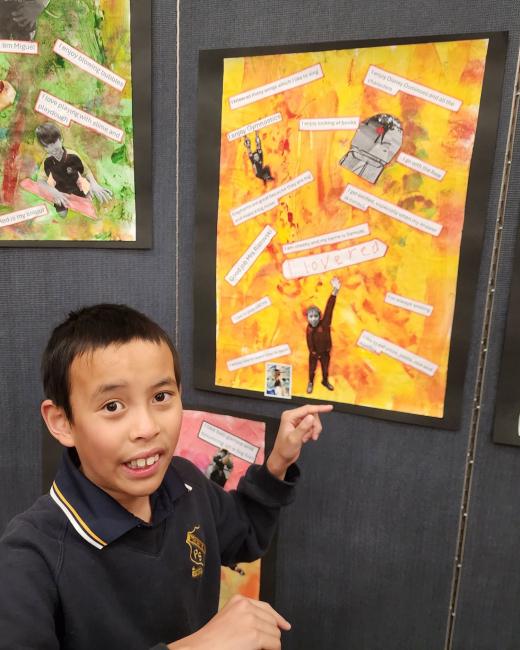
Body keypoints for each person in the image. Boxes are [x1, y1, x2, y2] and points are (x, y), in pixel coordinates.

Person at [0, 303, 332, 649]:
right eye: (113, 406)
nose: (147, 428)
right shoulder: (29, 556)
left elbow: (243, 532)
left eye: (161, 397)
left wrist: (277, 462)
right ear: (62, 422)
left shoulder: (185, 482)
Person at [35, 122, 112, 217]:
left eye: (54, 143)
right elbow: (40, 181)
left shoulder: (73, 156)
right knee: (62, 216)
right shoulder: (47, 161)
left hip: (77, 191)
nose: (52, 149)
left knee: (85, 215)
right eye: (47, 146)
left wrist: (94, 184)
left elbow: (86, 172)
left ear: (61, 139)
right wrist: (55, 193)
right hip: (60, 194)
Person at [306, 276, 341, 394]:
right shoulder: (309, 329)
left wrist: (335, 291)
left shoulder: (325, 323)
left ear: (319, 316)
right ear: (307, 318)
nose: (313, 319)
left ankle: (325, 381)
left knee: (325, 370)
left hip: (325, 353)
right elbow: (310, 344)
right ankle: (310, 382)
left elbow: (329, 307)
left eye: (315, 316)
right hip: (314, 354)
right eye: (311, 317)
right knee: (312, 369)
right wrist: (315, 353)